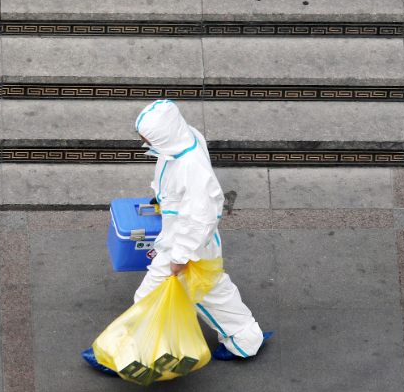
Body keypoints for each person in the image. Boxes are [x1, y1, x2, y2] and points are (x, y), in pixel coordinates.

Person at [83, 100, 270, 374]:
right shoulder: (187, 139)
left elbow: (199, 217)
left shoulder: (190, 167)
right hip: (201, 247)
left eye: (147, 138)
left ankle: (121, 357)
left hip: (182, 248)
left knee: (148, 298)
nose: (143, 142)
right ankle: (245, 340)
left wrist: (180, 257)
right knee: (214, 291)